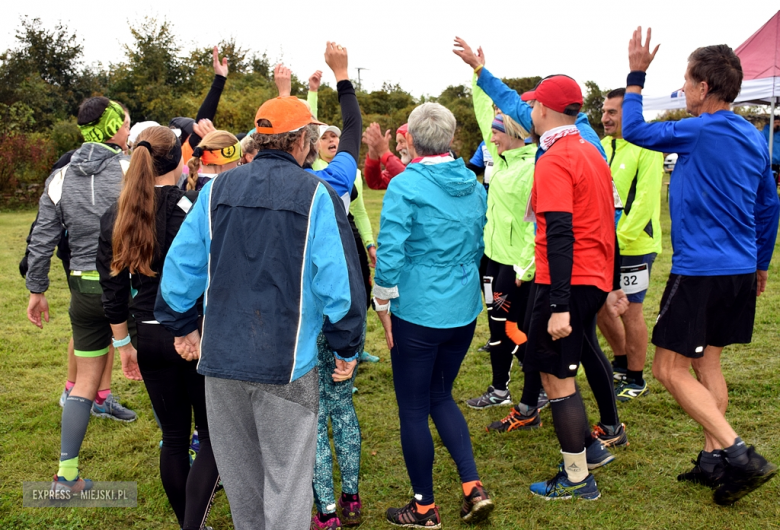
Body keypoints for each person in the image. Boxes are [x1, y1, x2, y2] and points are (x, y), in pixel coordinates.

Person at [154, 42, 366, 530]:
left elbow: (181, 269)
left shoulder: (215, 189)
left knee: (244, 487)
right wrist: (346, 344)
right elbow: (338, 284)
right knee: (286, 486)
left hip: (222, 362)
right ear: (301, 143)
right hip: (285, 366)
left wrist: (183, 324)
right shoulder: (316, 194)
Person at [622, 28, 779, 505]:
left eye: (687, 81)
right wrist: (761, 264)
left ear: (704, 87)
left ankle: (738, 453)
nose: (683, 88)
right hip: (738, 270)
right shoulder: (754, 137)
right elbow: (769, 205)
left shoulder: (702, 128)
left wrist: (636, 76)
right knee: (707, 361)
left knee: (667, 369)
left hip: (701, 271)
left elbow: (634, 131)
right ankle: (713, 459)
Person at [374, 102, 494, 527]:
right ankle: (472, 486)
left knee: (413, 407)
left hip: (420, 311)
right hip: (461, 308)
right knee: (440, 395)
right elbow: (478, 244)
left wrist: (382, 302)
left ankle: (424, 507)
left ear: (409, 139)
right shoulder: (473, 185)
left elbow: (389, 251)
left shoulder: (406, 185)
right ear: (451, 138)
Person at [96, 126, 220, 530]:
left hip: (147, 334)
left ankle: (190, 522)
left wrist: (124, 345)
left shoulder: (118, 212)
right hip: (194, 331)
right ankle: (191, 524)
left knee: (174, 437)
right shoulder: (194, 206)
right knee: (212, 437)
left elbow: (113, 290)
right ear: (178, 159)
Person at [510, 74, 619, 501]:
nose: (530, 112)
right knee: (556, 368)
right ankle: (590, 449)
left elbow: (558, 231)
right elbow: (606, 220)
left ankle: (577, 478)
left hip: (568, 281)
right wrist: (609, 283)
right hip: (588, 277)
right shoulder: (591, 150)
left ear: (542, 109)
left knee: (557, 378)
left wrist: (558, 305)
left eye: (533, 106)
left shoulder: (555, 157)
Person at [26, 96, 138, 493]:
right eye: (125, 123)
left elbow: (42, 237)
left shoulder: (60, 176)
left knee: (84, 381)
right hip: (125, 288)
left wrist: (37, 289)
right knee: (158, 369)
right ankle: (183, 449)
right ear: (112, 128)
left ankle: (66, 476)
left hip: (82, 289)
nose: (128, 129)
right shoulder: (130, 168)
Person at [456, 60, 537, 414]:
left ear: (515, 132)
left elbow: (537, 223)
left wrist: (525, 266)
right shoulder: (501, 160)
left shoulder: (533, 166)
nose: (491, 138)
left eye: (496, 132)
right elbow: (481, 115)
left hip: (516, 266)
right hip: (492, 260)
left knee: (515, 330)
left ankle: (538, 389)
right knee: (496, 327)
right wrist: (477, 74)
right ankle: (499, 389)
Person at [596, 87, 664, 401]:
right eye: (603, 111)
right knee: (600, 306)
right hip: (603, 244)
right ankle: (622, 363)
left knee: (630, 311)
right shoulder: (602, 145)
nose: (604, 118)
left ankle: (636, 379)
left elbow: (645, 202)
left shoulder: (647, 146)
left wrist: (617, 241)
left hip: (635, 245)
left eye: (612, 112)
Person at [362, 122, 410, 189]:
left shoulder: (424, 164)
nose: (397, 148)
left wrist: (384, 152)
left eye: (401, 142)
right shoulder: (404, 166)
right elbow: (376, 183)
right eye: (397, 143)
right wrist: (373, 154)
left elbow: (410, 179)